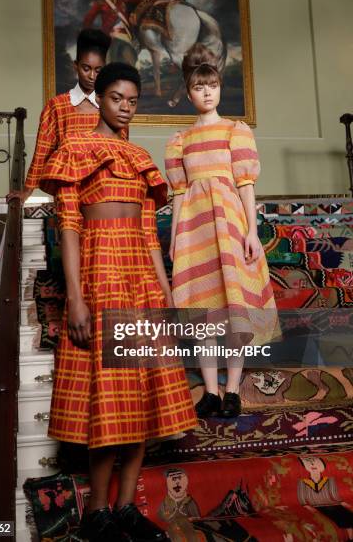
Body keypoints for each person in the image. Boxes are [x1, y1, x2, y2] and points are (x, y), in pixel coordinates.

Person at [44, 62, 197, 542]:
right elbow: (69, 227)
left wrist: (169, 296)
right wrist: (75, 298)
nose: (125, 106)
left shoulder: (140, 157)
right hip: (99, 274)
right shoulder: (72, 150)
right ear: (99, 97)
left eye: (132, 99)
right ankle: (97, 513)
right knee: (108, 402)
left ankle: (127, 509)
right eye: (117, 98)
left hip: (141, 281)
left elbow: (151, 237)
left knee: (143, 399)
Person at [165, 43, 279, 419]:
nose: (207, 92)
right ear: (188, 92)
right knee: (203, 313)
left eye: (212, 85)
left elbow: (246, 185)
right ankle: (210, 392)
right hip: (195, 231)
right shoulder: (179, 142)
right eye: (199, 87)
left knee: (234, 310)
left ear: (218, 86)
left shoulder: (235, 130)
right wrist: (175, 238)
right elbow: (179, 193)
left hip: (230, 226)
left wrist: (251, 231)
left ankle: (232, 389)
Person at [6, 28, 111, 203]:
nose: (92, 76)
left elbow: (121, 151)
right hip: (67, 191)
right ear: (75, 65)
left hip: (105, 193)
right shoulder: (57, 106)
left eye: (98, 70)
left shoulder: (110, 106)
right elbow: (42, 151)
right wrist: (26, 192)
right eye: (86, 68)